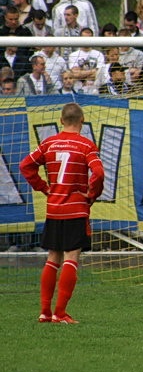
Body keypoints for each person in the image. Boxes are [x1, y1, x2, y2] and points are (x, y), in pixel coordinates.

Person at [19, 102, 105, 323]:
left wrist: (44, 187)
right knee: (71, 258)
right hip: (75, 208)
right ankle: (60, 313)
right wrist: (91, 195)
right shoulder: (86, 146)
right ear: (82, 121)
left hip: (54, 208)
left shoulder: (49, 143)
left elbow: (25, 166)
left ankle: (45, 312)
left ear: (61, 121)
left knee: (52, 258)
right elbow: (98, 172)